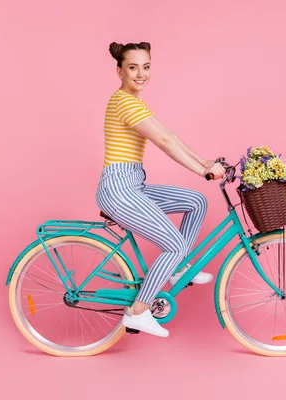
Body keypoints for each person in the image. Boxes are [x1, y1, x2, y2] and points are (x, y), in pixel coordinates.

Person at [95, 42, 226, 337]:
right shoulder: (124, 103)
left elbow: (170, 135)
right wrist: (202, 170)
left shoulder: (135, 102)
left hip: (132, 184)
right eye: (133, 67)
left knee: (196, 201)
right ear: (119, 71)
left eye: (146, 66)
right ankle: (139, 311)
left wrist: (204, 160)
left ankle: (177, 268)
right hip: (119, 190)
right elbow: (164, 144)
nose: (141, 74)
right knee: (175, 243)